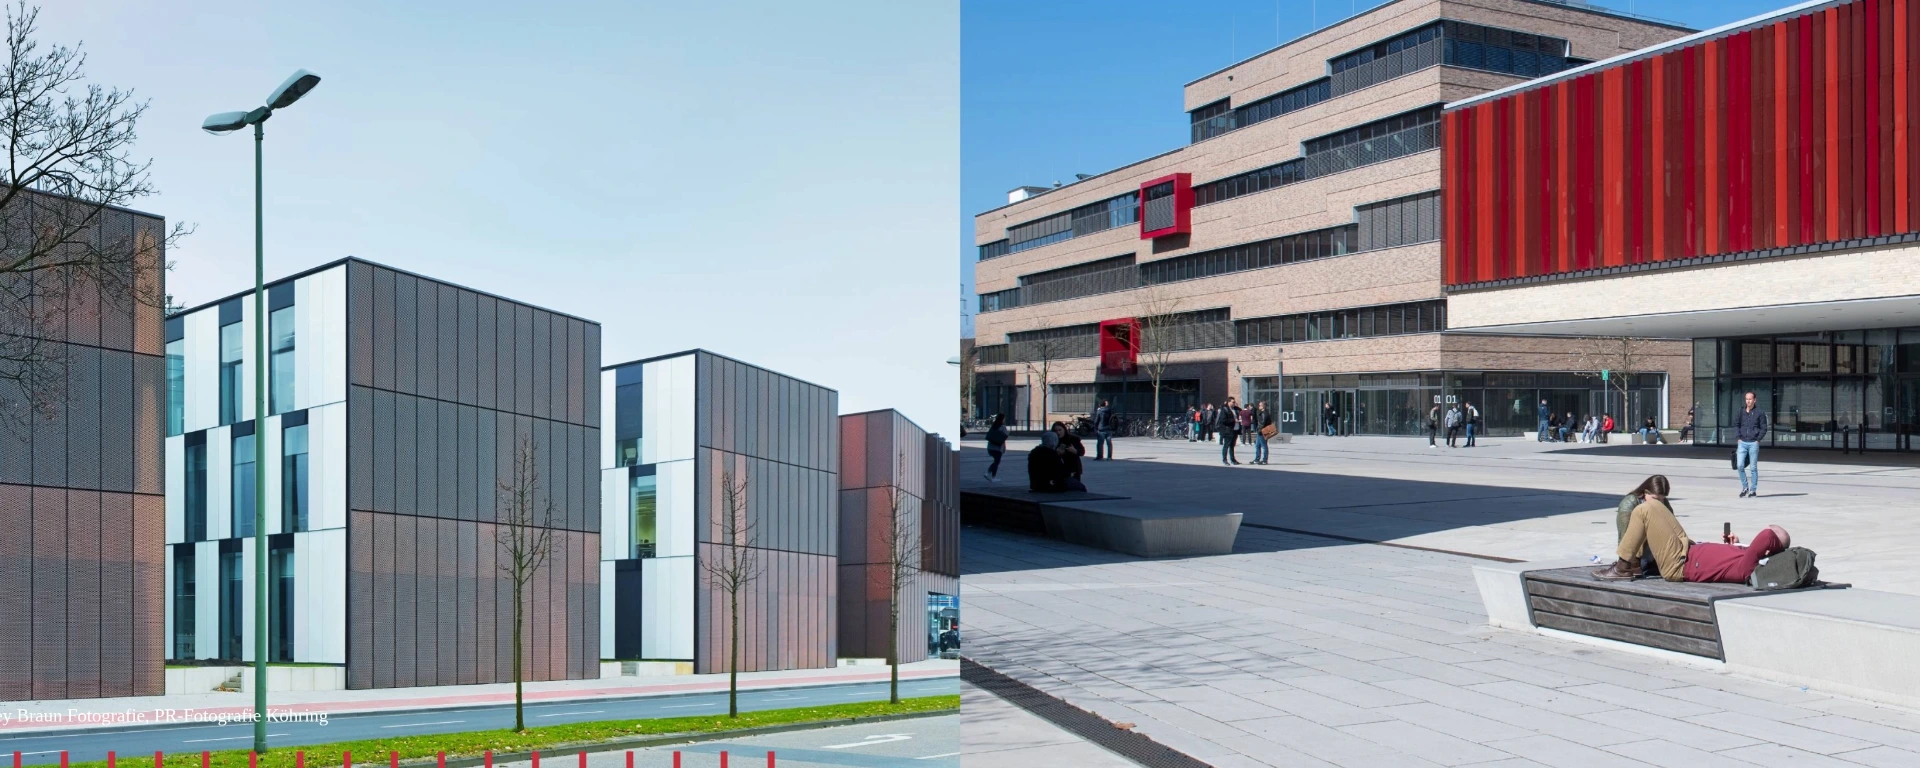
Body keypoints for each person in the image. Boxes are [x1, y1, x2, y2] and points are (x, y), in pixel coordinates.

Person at [1594, 475, 1790, 583]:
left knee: (1644, 509)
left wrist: (1773, 540)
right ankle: (1631, 564)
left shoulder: (1751, 567)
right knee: (1651, 505)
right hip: (1687, 549)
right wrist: (1734, 545)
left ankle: (1624, 566)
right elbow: (1729, 560)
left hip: (1679, 565)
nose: (1762, 532)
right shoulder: (1753, 558)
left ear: (1767, 547)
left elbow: (1765, 538)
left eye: (1768, 532)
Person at [1734, 391, 1768, 497]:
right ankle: (1745, 487)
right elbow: (1736, 424)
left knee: (1753, 468)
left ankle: (1753, 490)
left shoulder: (1759, 412)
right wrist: (1738, 437)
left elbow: (1764, 427)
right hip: (1742, 442)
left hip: (1753, 442)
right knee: (1739, 465)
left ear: (1754, 400)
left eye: (1750, 399)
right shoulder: (1741, 411)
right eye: (1746, 399)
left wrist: (1758, 439)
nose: (1748, 401)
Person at [1217, 397, 1242, 465]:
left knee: (1232, 445)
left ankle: (1233, 459)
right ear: (1228, 402)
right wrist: (1234, 420)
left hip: (1235, 429)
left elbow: (1241, 411)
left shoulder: (1235, 409)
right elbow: (1223, 420)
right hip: (1227, 430)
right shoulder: (1224, 409)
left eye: (1234, 402)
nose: (1234, 403)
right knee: (1226, 445)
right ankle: (1225, 459)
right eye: (1232, 402)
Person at [983, 414, 1008, 482]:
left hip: (990, 447)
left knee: (996, 461)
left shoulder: (994, 426)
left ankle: (993, 477)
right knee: (997, 462)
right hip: (997, 448)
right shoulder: (1003, 427)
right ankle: (988, 473)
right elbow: (1005, 436)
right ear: (1002, 419)